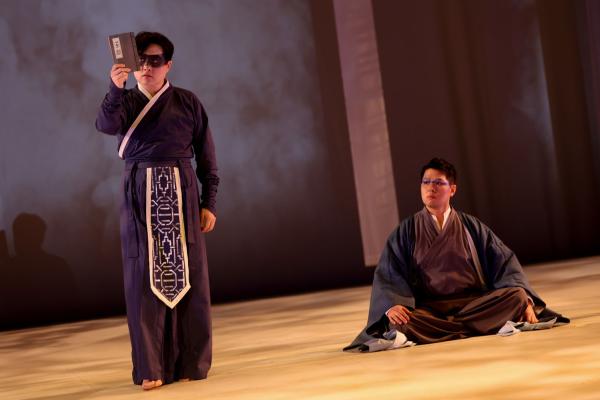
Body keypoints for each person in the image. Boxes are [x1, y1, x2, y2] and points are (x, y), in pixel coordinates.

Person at [95, 32, 219, 389]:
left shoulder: (188, 102)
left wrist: (209, 201)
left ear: (168, 64)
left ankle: (190, 362)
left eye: (155, 61)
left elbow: (206, 156)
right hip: (140, 194)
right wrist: (115, 89)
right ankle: (151, 367)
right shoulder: (125, 101)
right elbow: (106, 125)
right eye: (142, 61)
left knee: (189, 276)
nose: (147, 68)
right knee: (143, 278)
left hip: (181, 193)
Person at [344, 158, 568, 352]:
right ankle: (477, 328)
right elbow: (390, 274)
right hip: (430, 310)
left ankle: (451, 330)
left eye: (438, 183)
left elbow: (504, 263)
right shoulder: (407, 231)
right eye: (426, 182)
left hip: (475, 305)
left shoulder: (471, 227)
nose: (431, 188)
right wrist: (392, 305)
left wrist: (526, 302)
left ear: (452, 189)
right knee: (398, 322)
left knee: (518, 297)